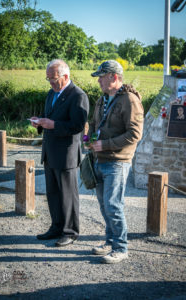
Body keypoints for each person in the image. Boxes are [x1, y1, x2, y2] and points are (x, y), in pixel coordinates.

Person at [88, 60, 144, 263]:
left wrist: (106, 144)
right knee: (104, 205)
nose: (99, 81)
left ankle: (121, 248)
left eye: (101, 77)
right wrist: (90, 140)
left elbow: (135, 134)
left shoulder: (129, 100)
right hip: (99, 159)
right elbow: (93, 124)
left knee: (113, 205)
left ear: (113, 77)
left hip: (118, 161)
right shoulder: (102, 99)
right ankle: (110, 241)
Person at [31, 59, 89, 247]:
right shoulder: (51, 92)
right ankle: (56, 227)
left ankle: (70, 232)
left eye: (53, 79)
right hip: (49, 152)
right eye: (48, 79)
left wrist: (53, 124)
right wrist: (39, 122)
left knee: (67, 196)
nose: (50, 83)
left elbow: (78, 125)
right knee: (53, 193)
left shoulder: (78, 95)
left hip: (66, 154)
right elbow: (49, 117)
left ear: (65, 76)